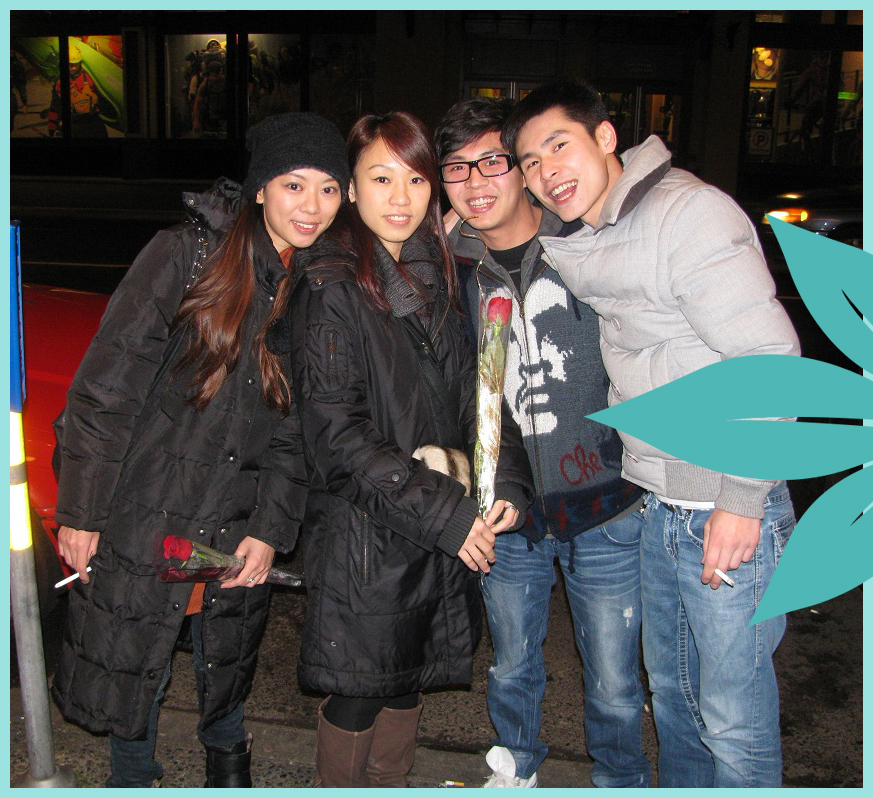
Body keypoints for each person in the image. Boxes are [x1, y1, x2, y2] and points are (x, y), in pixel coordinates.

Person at [503, 80, 800, 788]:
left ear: (606, 138)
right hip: (660, 502)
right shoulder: (595, 234)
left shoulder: (686, 214)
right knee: (673, 699)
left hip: (723, 502)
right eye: (531, 162)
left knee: (732, 720)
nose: (546, 171)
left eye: (559, 146)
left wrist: (740, 498)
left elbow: (770, 360)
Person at [50, 112, 350, 788]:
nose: (312, 205)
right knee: (138, 662)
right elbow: (107, 386)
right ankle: (133, 778)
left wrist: (270, 530)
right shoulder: (185, 254)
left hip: (234, 518)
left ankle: (228, 762)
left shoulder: (315, 284)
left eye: (329, 188)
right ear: (260, 188)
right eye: (294, 185)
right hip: (147, 506)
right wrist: (83, 512)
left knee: (225, 653)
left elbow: (295, 431)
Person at [284, 111, 535, 788]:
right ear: (351, 188)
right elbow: (337, 438)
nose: (401, 197)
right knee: (361, 690)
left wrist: (505, 482)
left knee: (404, 682)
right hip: (367, 537)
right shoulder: (332, 286)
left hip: (428, 526)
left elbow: (479, 394)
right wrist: (448, 516)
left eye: (416, 179)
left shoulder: (433, 274)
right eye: (381, 179)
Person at [435, 97, 650, 789]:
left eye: (492, 162)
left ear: (522, 169)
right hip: (510, 509)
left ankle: (619, 781)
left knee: (614, 678)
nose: (475, 182)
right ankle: (516, 768)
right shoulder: (449, 270)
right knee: (511, 662)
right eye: (456, 168)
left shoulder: (586, 242)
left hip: (608, 502)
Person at [48, 42, 108, 138]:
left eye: (75, 64)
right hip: (75, 124)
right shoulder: (59, 82)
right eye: (70, 64)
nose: (73, 68)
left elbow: (103, 97)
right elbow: (56, 105)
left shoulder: (91, 77)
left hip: (94, 122)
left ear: (80, 63)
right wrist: (52, 127)